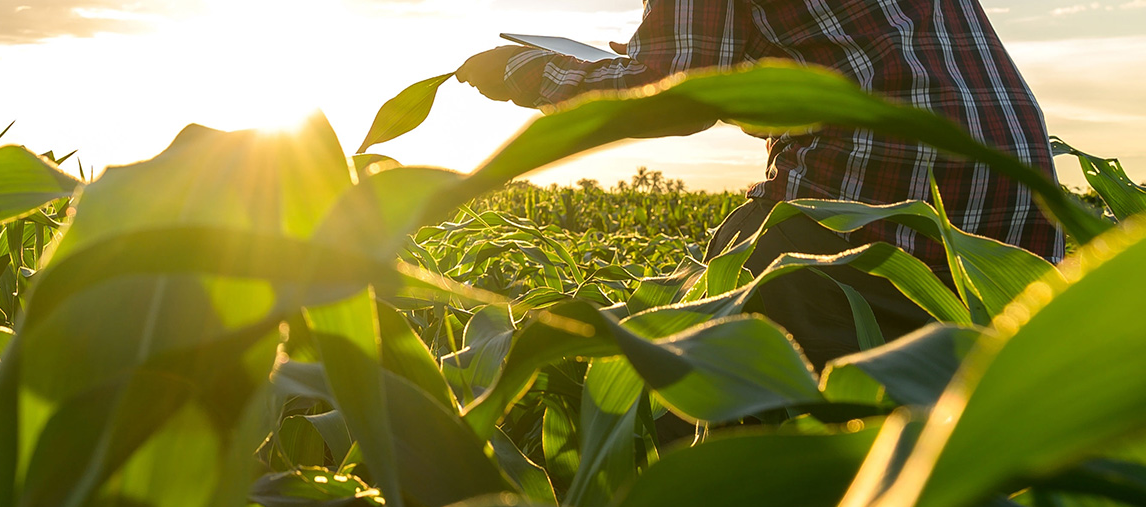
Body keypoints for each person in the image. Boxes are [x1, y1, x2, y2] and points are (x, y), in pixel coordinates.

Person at [454, 0, 1062, 366]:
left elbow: (677, 95)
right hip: (1019, 209)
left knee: (690, 367)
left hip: (869, 203)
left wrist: (529, 72)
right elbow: (862, 56)